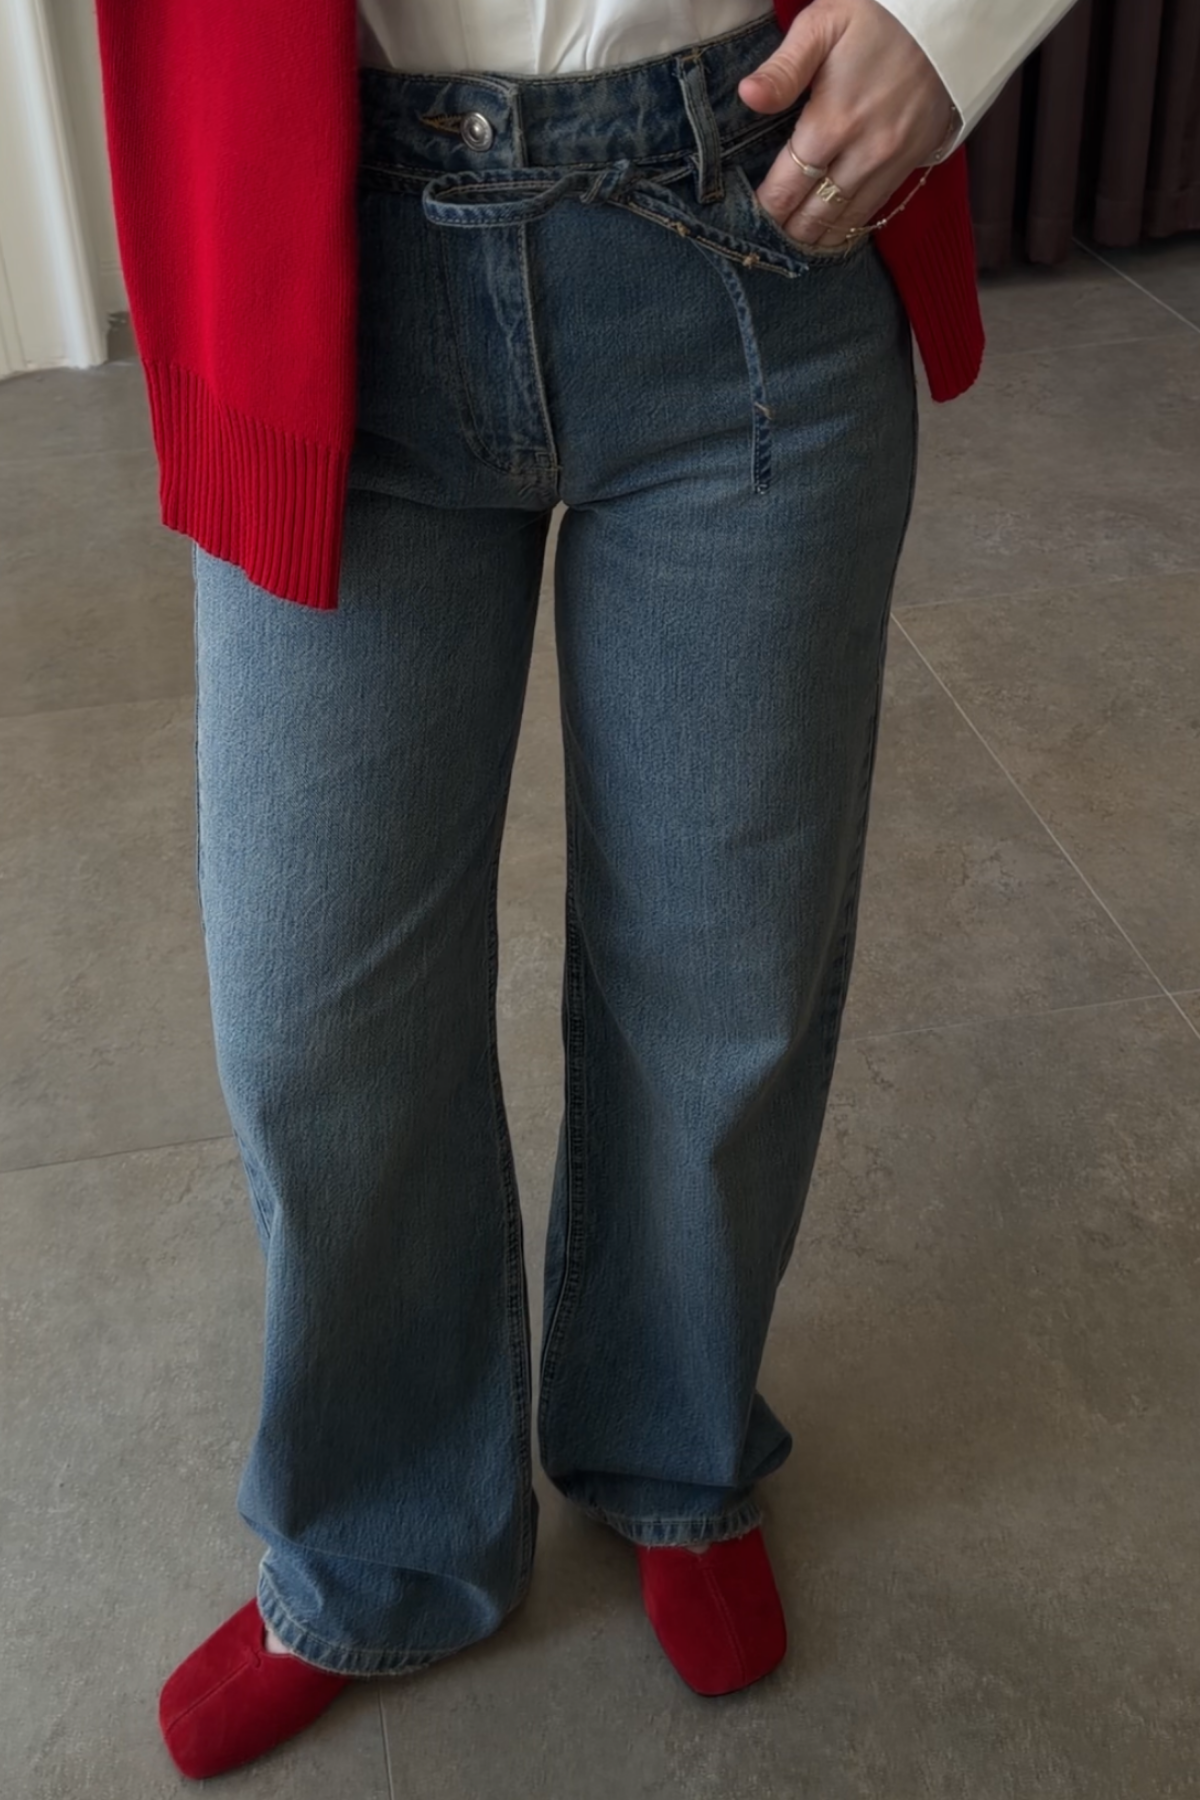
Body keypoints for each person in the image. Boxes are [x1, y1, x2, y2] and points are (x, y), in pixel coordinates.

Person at [95, 0, 1076, 1780]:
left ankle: (672, 1450)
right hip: (319, 242)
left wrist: (956, 18)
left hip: (751, 207)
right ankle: (379, 1535)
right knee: (312, 1015)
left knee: (724, 968)